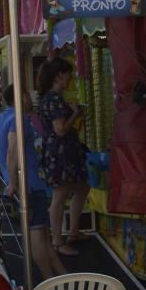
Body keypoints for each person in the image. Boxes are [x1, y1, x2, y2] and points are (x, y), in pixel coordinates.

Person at [0, 85, 66, 282]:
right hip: (28, 184)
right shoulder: (17, 119)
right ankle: (50, 281)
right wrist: (14, 183)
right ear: (23, 96)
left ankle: (62, 276)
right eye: (28, 94)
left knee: (43, 234)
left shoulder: (3, 119)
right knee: (37, 234)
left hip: (27, 183)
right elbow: (12, 151)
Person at [37, 59, 90, 257]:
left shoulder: (50, 98)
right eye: (69, 74)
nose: (71, 78)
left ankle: (73, 231)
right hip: (61, 153)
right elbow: (60, 130)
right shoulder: (54, 100)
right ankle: (58, 240)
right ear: (59, 75)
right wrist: (75, 114)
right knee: (60, 195)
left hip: (62, 152)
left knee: (81, 187)